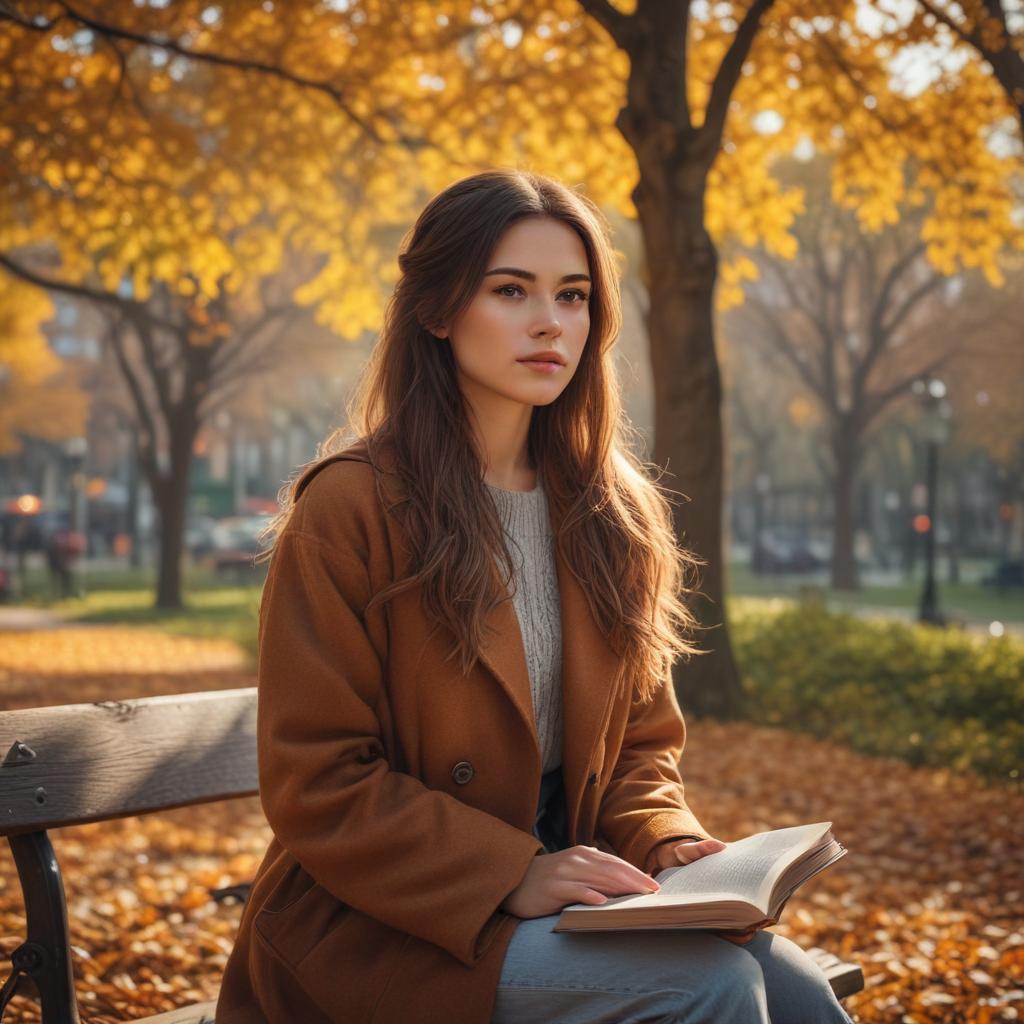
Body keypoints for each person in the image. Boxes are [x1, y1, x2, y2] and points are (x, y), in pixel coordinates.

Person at [215, 169, 853, 1024]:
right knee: (709, 987)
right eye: (511, 290)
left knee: (799, 990)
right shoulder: (353, 506)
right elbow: (317, 781)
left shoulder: (610, 510)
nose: (551, 321)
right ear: (438, 311)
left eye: (574, 295)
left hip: (566, 892)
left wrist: (668, 841)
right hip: (385, 922)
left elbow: (638, 747)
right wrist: (509, 869)